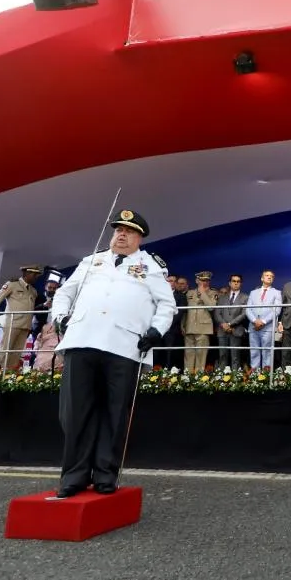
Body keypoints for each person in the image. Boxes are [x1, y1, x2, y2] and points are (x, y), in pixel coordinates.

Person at [51, 209, 176, 498]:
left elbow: (167, 305)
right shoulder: (91, 261)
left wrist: (156, 331)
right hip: (82, 339)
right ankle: (74, 475)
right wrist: (59, 316)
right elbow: (64, 292)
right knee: (75, 412)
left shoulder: (151, 267)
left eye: (129, 231)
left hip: (124, 345)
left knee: (115, 413)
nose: (121, 235)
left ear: (139, 238)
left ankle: (105, 473)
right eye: (118, 230)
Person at [0, 265, 43, 370]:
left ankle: (9, 376)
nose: (36, 277)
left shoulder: (33, 291)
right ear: (26, 274)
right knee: (5, 350)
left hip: (25, 325)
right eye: (34, 275)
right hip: (12, 323)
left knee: (16, 353)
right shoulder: (12, 284)